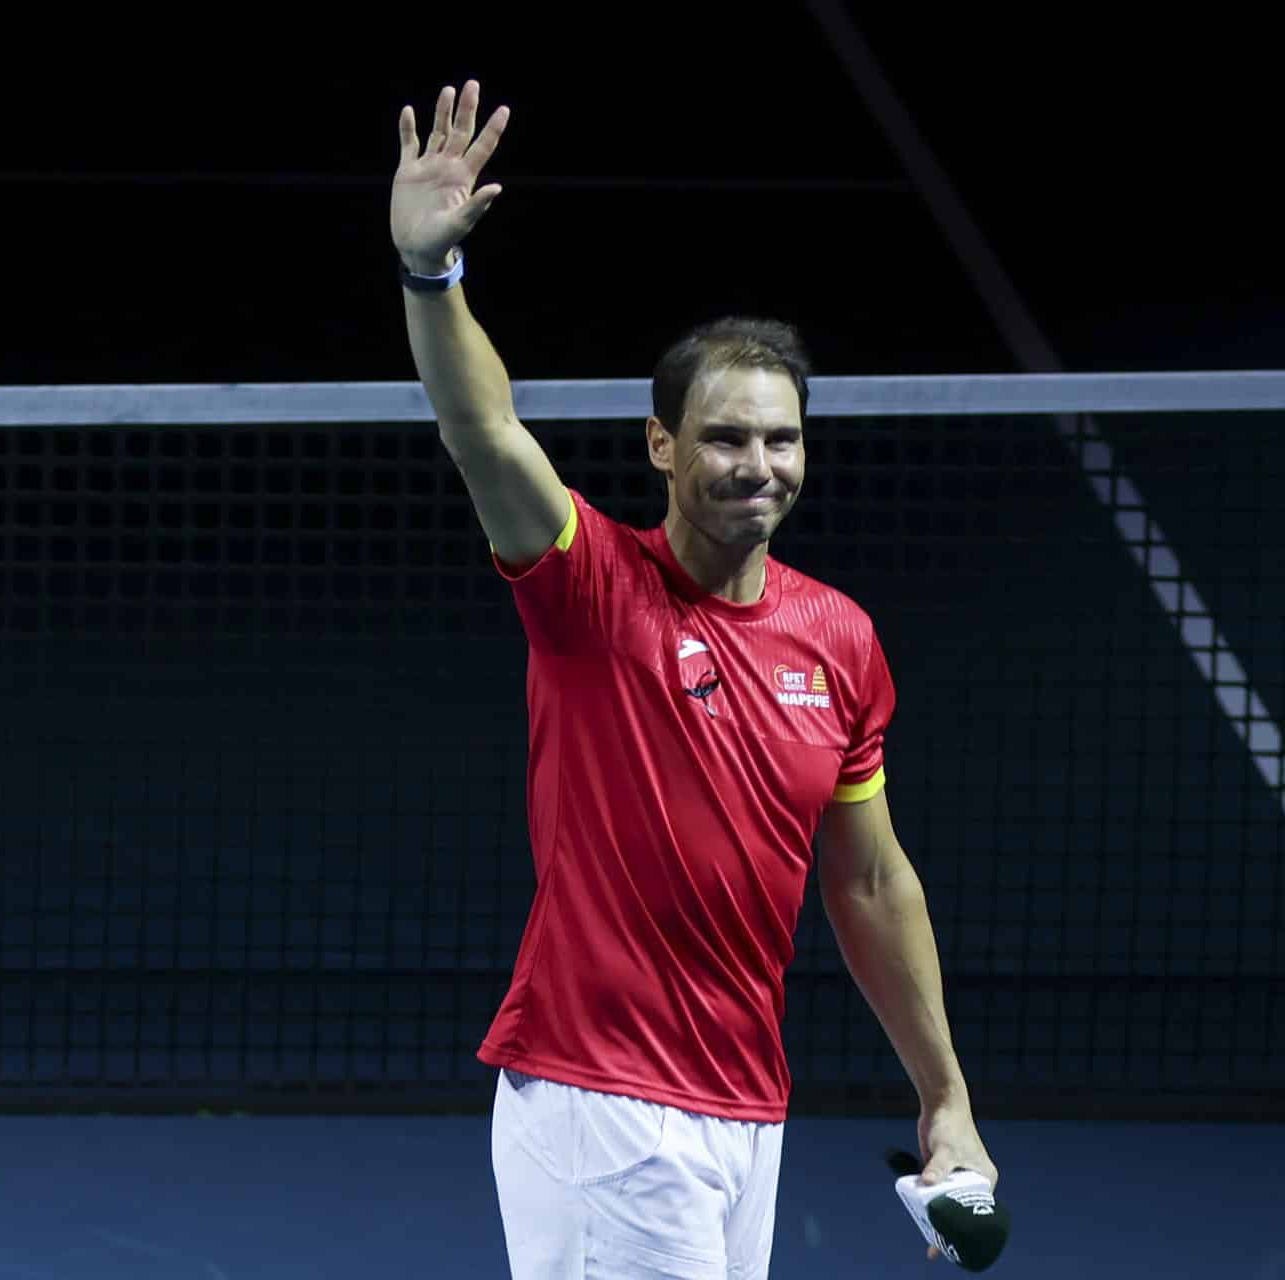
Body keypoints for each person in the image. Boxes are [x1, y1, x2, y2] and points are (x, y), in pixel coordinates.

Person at [391, 80, 999, 1278]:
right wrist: (429, 276)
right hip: (601, 1095)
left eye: (780, 439)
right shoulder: (589, 588)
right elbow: (484, 429)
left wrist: (947, 1096)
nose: (755, 466)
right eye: (724, 437)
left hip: (743, 1105)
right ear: (663, 443)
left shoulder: (840, 638)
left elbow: (869, 880)